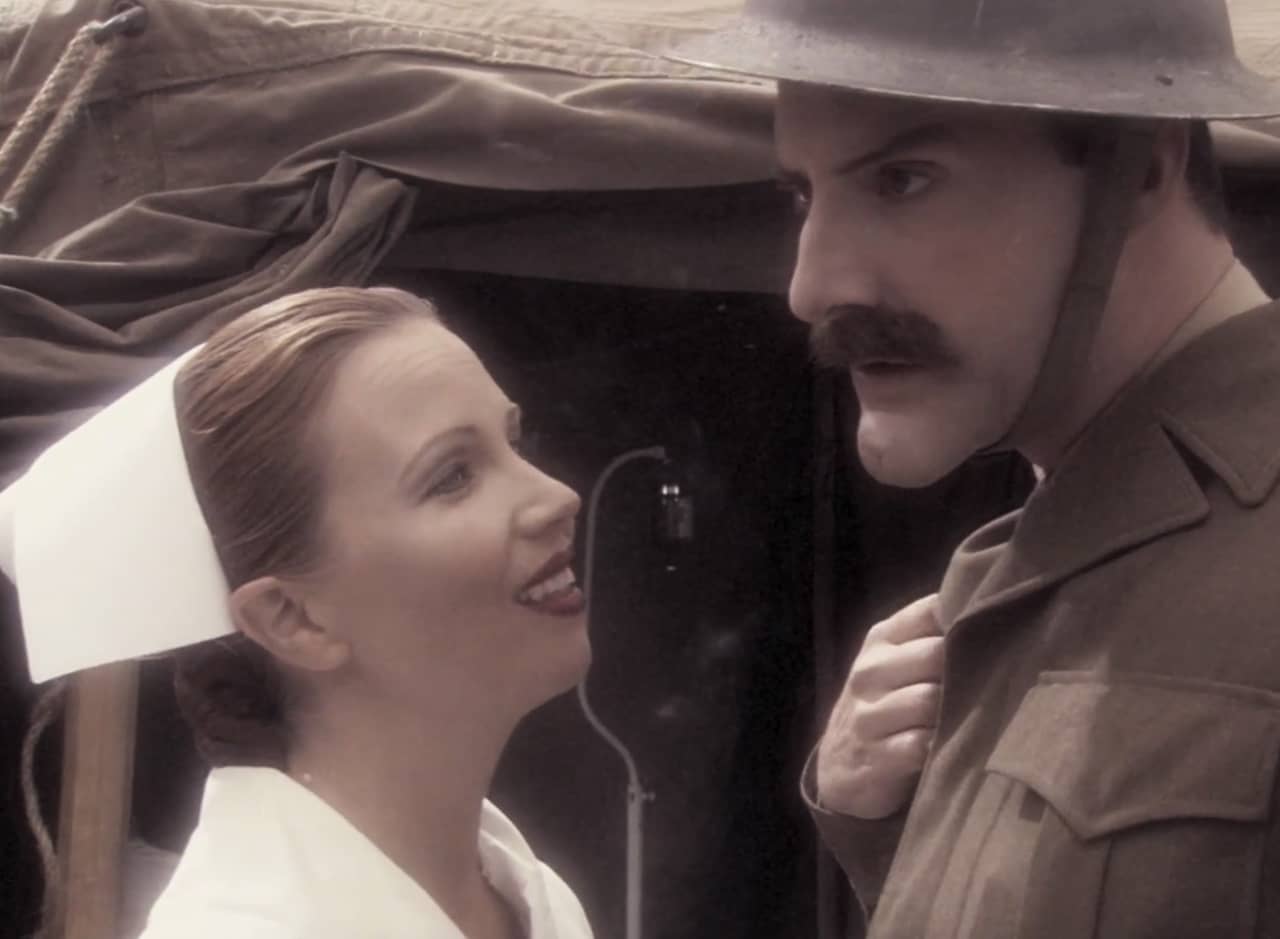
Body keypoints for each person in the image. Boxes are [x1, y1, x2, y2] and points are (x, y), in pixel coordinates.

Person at [670, 1, 1280, 936]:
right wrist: (889, 832)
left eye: (903, 179)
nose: (812, 285)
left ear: (1142, 166)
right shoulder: (1039, 554)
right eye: (804, 195)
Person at [0, 286, 595, 939]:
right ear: (292, 617)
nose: (557, 496)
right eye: (452, 475)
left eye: (514, 441)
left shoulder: (531, 894)